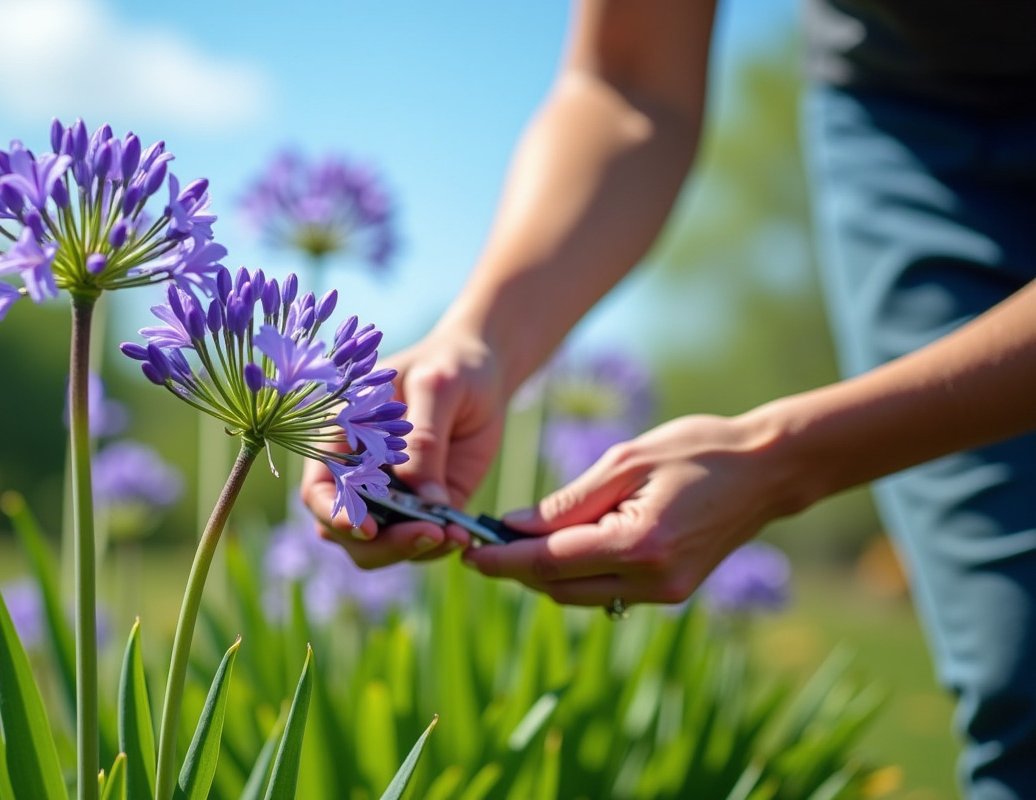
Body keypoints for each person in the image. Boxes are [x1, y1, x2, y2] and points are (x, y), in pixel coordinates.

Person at [301, 1, 1036, 796]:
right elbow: (630, 85)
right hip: (912, 111)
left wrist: (786, 459)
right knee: (1020, 666)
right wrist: (481, 337)